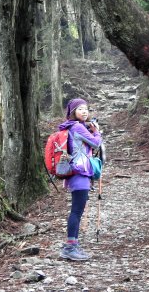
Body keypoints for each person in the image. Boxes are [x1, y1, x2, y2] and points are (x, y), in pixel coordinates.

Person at [58, 98, 102, 261]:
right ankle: (70, 248)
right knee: (76, 211)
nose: (84, 111)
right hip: (79, 172)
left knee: (77, 210)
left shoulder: (73, 127)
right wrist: (96, 131)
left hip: (76, 172)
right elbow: (96, 143)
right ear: (72, 112)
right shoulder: (77, 127)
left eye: (86, 109)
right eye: (80, 109)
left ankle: (73, 246)